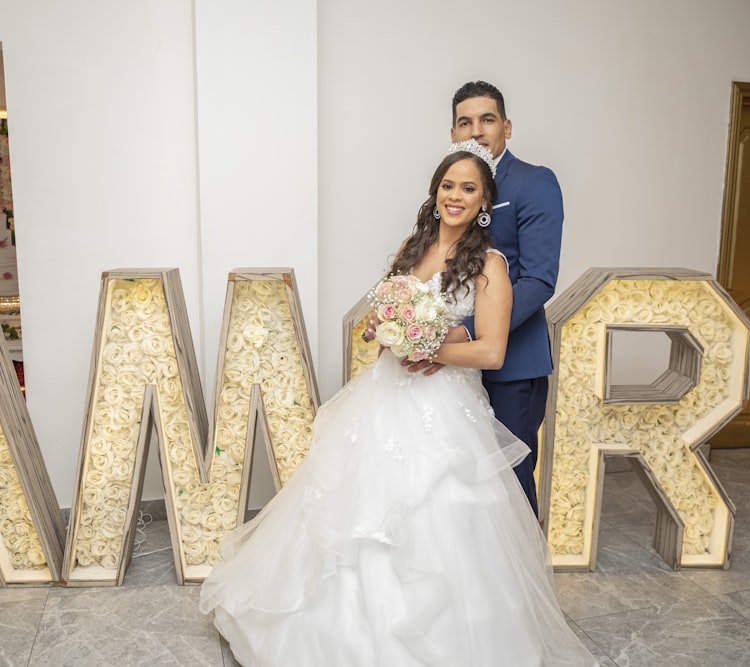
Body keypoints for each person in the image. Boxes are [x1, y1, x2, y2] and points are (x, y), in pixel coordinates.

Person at [199, 141, 596, 666]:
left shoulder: (491, 266)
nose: (456, 195)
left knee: (445, 513)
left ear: (484, 203)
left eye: (469, 188)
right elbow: (388, 311)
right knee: (353, 508)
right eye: (448, 185)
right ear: (435, 192)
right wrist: (382, 328)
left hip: (447, 408)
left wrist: (430, 346)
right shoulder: (413, 246)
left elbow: (492, 351)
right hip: (383, 397)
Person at [412, 81, 563, 518]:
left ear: (507, 127)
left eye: (487, 120)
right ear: (454, 132)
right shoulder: (453, 185)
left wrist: (465, 331)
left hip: (511, 362)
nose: (476, 131)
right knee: (450, 487)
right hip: (448, 376)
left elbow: (538, 278)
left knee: (508, 485)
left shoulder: (535, 182)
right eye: (465, 122)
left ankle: (519, 585)